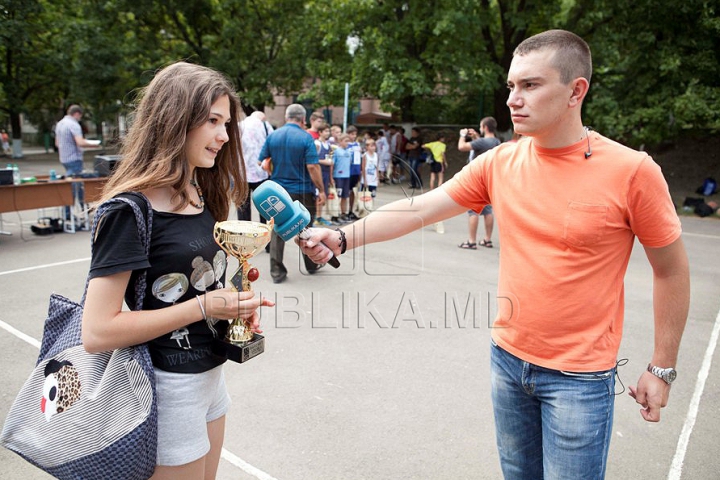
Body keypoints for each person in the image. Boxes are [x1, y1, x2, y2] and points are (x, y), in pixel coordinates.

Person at [298, 29, 689, 480]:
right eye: (511, 87)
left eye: (531, 85)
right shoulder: (499, 162)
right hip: (507, 360)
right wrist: (343, 238)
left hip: (579, 379)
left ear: (575, 91)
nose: (513, 100)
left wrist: (662, 368)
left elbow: (672, 270)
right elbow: (419, 208)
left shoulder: (631, 170)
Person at [82, 61, 274, 480]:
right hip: (166, 387)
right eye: (212, 121)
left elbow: (201, 288)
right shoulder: (129, 211)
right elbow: (96, 332)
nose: (224, 136)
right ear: (174, 119)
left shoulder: (204, 192)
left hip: (211, 378)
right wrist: (206, 306)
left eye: (227, 123)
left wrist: (234, 307)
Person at [259, 103, 326, 283]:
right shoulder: (305, 138)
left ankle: (276, 272)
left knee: (277, 230)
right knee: (305, 228)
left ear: (286, 117)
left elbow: (263, 162)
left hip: (278, 192)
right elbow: (312, 166)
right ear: (304, 119)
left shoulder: (273, 135)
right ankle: (312, 265)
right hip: (302, 190)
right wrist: (321, 189)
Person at [457, 117, 501, 249]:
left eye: (481, 126)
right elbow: (481, 145)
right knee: (488, 210)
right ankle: (487, 239)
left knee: (473, 211)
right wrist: (476, 136)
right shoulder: (497, 142)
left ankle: (472, 241)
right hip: (489, 179)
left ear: (485, 127)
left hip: (476, 180)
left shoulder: (482, 142)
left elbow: (462, 147)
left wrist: (462, 135)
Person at [54, 104, 100, 225]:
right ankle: (79, 211)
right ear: (77, 114)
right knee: (76, 187)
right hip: (74, 158)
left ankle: (78, 211)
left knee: (70, 184)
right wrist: (93, 144)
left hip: (64, 158)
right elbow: (80, 142)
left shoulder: (60, 124)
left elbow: (57, 143)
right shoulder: (74, 125)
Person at [237, 111, 273, 224]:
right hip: (262, 172)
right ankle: (264, 235)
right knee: (264, 207)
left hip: (242, 173)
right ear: (262, 117)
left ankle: (246, 234)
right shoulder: (265, 126)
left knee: (243, 208)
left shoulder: (239, 126)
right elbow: (272, 143)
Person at [314, 123, 335, 227]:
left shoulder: (329, 145)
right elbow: (312, 160)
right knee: (318, 195)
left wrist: (331, 176)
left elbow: (331, 160)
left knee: (323, 196)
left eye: (328, 131)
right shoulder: (317, 144)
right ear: (320, 132)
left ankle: (319, 216)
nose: (327, 133)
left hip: (326, 173)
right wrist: (324, 162)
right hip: (318, 173)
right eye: (325, 131)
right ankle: (316, 217)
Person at [331, 133, 353, 224]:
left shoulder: (349, 152)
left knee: (345, 196)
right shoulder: (336, 151)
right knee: (338, 197)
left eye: (348, 141)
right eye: (345, 141)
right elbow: (332, 165)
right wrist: (331, 177)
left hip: (346, 177)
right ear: (340, 141)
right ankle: (335, 215)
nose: (347, 143)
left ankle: (343, 214)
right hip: (338, 176)